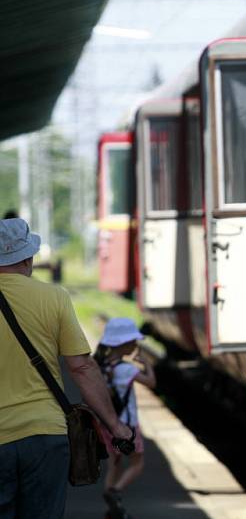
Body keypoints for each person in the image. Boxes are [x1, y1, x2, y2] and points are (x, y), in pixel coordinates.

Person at [0, 218, 133, 519]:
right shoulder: (53, 297)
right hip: (45, 436)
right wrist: (114, 425)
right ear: (27, 257)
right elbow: (83, 368)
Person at [93, 318, 156, 516]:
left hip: (109, 426)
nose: (136, 344)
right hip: (127, 428)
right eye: (133, 341)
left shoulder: (101, 367)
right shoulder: (127, 369)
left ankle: (111, 508)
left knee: (115, 464)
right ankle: (115, 492)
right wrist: (146, 364)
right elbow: (151, 383)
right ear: (124, 344)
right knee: (137, 463)